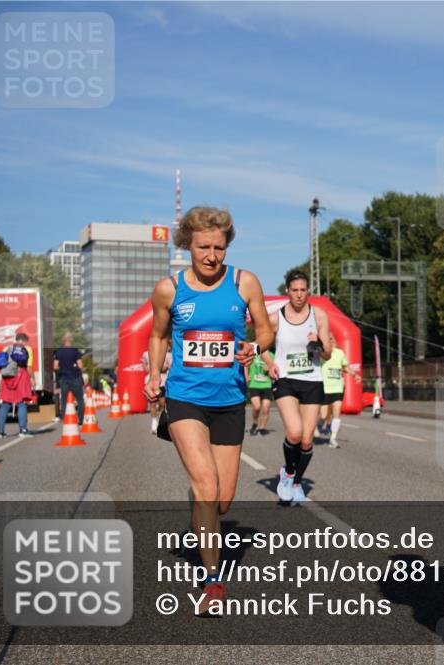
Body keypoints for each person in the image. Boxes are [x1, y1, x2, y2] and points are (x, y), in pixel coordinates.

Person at [145, 206, 273, 615]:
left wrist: (256, 345)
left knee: (222, 500)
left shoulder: (244, 281)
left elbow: (266, 328)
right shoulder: (168, 289)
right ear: (188, 245)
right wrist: (153, 375)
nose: (212, 256)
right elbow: (158, 335)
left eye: (219, 247)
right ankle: (212, 582)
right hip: (184, 396)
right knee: (205, 484)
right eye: (203, 247)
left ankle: (202, 505)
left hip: (230, 399)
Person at [265, 269, 332, 504]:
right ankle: (288, 474)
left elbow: (327, 354)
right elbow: (261, 344)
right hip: (285, 380)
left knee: (306, 440)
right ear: (287, 291)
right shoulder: (276, 317)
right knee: (294, 432)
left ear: (308, 291)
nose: (299, 295)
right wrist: (270, 363)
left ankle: (296, 482)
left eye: (303, 290)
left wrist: (318, 343)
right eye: (295, 290)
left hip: (312, 380)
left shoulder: (320, 315)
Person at [320, 333, 361, 448]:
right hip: (324, 387)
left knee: (337, 410)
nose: (331, 340)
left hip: (338, 386)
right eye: (328, 339)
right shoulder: (321, 354)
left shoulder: (340, 353)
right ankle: (323, 422)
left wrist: (355, 375)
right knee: (323, 415)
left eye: (332, 338)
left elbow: (345, 367)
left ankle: (333, 439)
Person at [0, 331, 35, 438]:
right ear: (25, 341)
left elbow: (1, 365)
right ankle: (23, 430)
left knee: (5, 404)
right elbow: (29, 367)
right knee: (21, 403)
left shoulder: (6, 348)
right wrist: (33, 379)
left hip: (7, 378)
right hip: (21, 376)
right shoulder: (27, 349)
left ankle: (0, 431)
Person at [53, 332, 85, 424]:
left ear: (63, 340)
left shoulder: (58, 352)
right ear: (71, 340)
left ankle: (64, 418)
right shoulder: (76, 352)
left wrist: (61, 370)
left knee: (64, 399)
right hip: (75, 378)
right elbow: (80, 365)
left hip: (64, 378)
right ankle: (81, 420)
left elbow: (55, 366)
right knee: (80, 399)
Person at [141, 347, 172, 434]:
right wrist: (147, 369)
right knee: (153, 403)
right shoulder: (147, 353)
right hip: (151, 379)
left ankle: (162, 423)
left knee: (162, 404)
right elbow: (143, 362)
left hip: (163, 380)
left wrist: (162, 369)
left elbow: (170, 367)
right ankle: (154, 423)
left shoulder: (168, 355)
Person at [246, 346, 275, 436]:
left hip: (267, 384)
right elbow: (246, 364)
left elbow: (275, 370)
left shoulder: (272, 355)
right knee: (257, 407)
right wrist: (246, 375)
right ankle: (255, 423)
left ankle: (261, 428)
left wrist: (270, 369)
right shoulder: (254, 353)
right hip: (254, 384)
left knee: (266, 408)